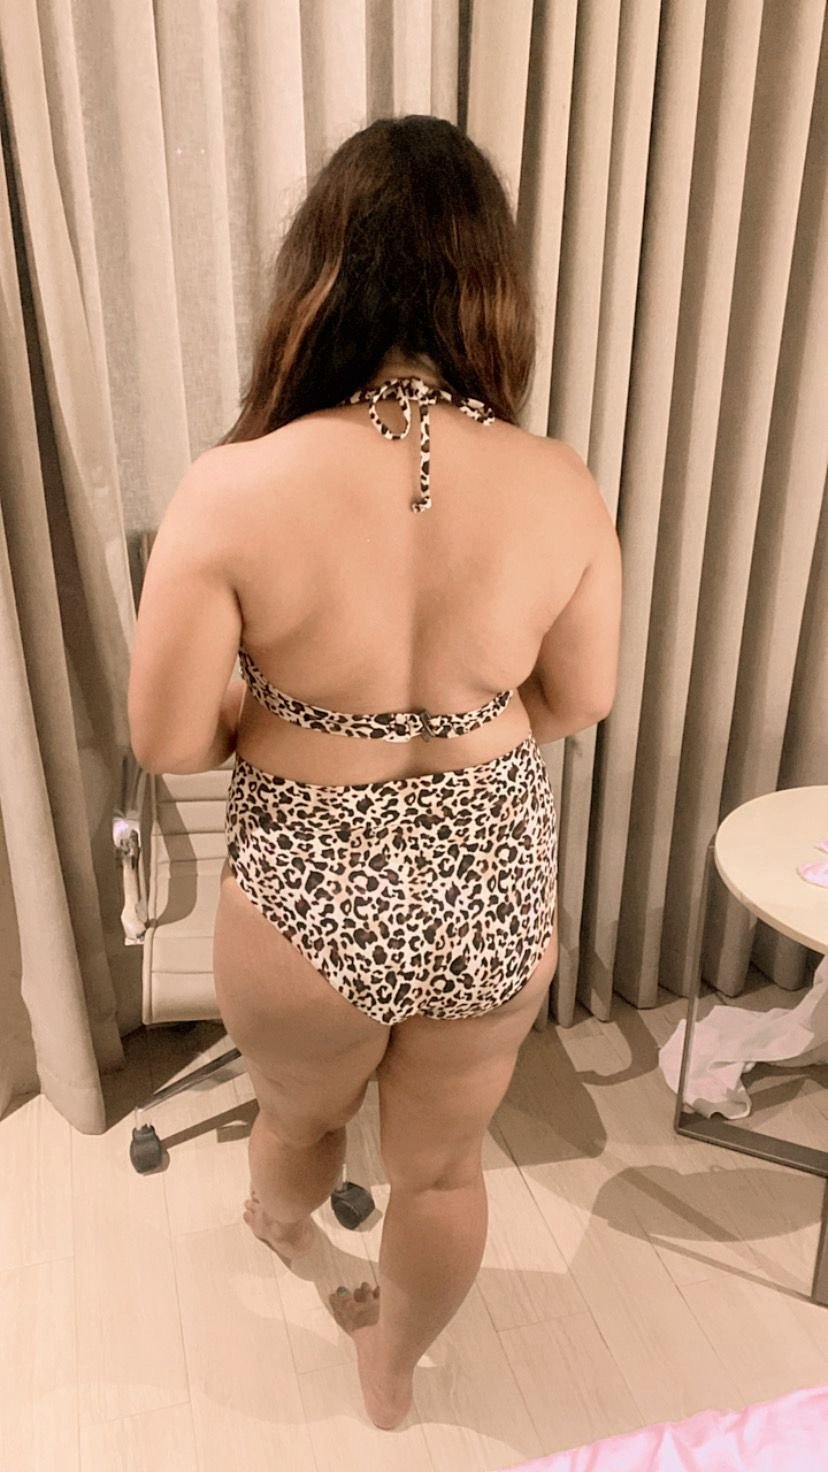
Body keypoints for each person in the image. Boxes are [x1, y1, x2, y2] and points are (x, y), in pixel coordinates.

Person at [128, 114, 621, 1431]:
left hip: (308, 888)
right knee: (445, 1167)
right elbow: (580, 698)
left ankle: (283, 1225)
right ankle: (394, 1373)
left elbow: (169, 741)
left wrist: (289, 713)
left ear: (319, 275)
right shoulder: (558, 483)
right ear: (489, 288)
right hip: (490, 883)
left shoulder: (234, 490)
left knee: (298, 1124)